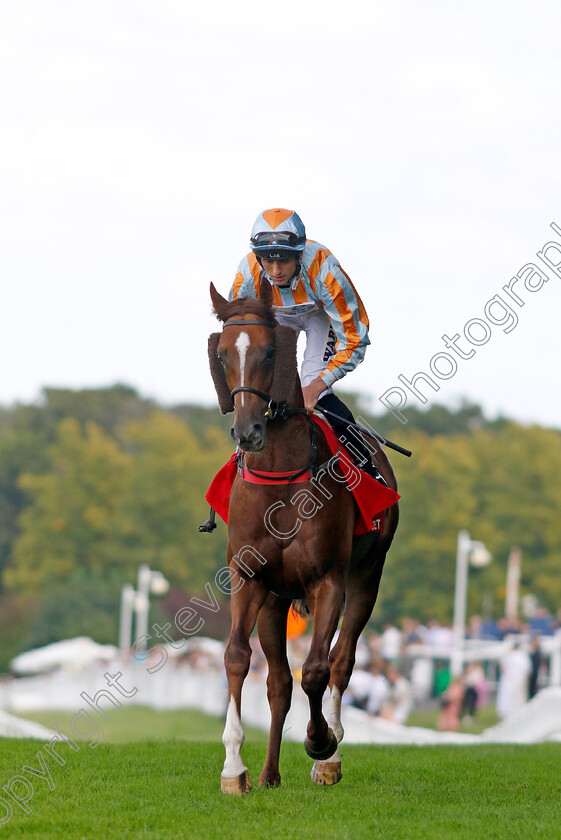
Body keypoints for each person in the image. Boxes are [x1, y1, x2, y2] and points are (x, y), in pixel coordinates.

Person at [230, 208, 384, 481]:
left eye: (284, 261)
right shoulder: (248, 275)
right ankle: (239, 467)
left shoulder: (326, 273)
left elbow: (355, 339)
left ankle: (368, 470)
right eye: (267, 261)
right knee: (264, 383)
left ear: (299, 254)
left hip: (318, 315)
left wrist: (316, 387)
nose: (275, 271)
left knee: (314, 388)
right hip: (276, 316)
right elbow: (237, 333)